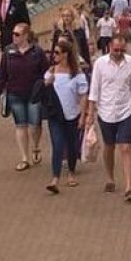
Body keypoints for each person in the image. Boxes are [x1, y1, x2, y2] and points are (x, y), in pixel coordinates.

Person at [83, 29, 131, 201]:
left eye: (122, 50)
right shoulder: (100, 64)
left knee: (126, 147)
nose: (119, 53)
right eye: (116, 50)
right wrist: (90, 114)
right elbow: (94, 90)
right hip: (105, 111)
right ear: (109, 47)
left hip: (125, 111)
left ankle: (129, 186)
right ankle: (110, 178)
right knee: (109, 146)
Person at [0, 21, 49, 169]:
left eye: (17, 34)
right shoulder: (8, 52)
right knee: (20, 125)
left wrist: (45, 88)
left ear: (25, 36)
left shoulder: (37, 52)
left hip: (34, 94)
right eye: (13, 34)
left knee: (35, 124)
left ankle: (35, 146)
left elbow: (46, 72)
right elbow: (2, 74)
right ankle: (24, 158)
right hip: (15, 93)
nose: (14, 36)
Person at [42, 37, 88, 192]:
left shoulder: (77, 74)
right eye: (53, 52)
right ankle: (55, 178)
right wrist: (47, 82)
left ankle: (71, 172)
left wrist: (83, 116)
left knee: (72, 145)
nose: (54, 56)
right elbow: (43, 88)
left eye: (57, 53)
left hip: (72, 114)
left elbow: (83, 95)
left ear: (65, 54)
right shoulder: (51, 71)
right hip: (55, 115)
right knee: (57, 144)